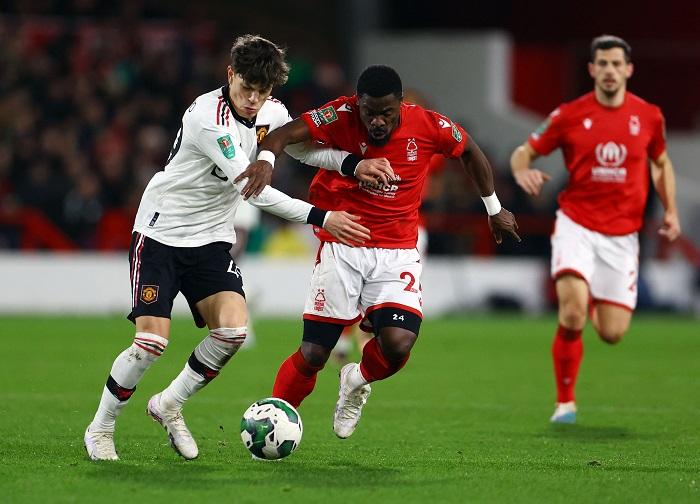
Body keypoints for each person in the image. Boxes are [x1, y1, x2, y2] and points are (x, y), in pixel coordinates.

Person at [83, 34, 391, 461]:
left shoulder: (272, 112)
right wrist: (322, 217)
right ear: (230, 75)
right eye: (246, 88)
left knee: (232, 332)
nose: (252, 100)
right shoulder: (207, 117)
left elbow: (304, 150)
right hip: (162, 234)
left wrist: (352, 164)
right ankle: (101, 428)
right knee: (151, 343)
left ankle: (169, 404)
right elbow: (254, 189)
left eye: (262, 91)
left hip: (211, 238)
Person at [236, 64, 520, 438]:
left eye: (386, 112)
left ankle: (356, 380)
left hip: (397, 250)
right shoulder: (340, 113)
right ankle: (272, 423)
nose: (377, 121)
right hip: (344, 243)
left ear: (401, 103)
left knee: (399, 344)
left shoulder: (428, 124)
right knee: (314, 353)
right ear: (359, 103)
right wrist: (266, 161)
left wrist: (494, 208)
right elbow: (284, 134)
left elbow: (470, 151)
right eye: (369, 112)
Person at [509, 35, 681, 424]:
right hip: (577, 225)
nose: (609, 70)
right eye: (602, 63)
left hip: (622, 236)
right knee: (571, 314)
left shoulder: (649, 116)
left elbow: (661, 163)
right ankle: (565, 403)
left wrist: (671, 209)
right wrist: (521, 170)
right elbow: (524, 151)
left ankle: (589, 295)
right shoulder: (569, 114)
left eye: (616, 64)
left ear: (629, 69)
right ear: (591, 69)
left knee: (612, 333)